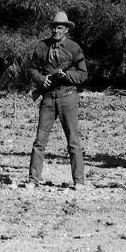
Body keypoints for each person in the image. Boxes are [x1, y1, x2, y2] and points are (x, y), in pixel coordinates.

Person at [25, 11, 90, 190]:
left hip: (68, 97)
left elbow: (83, 74)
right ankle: (33, 180)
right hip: (47, 98)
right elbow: (31, 69)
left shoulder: (74, 48)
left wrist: (66, 74)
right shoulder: (41, 46)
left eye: (60, 27)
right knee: (39, 142)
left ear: (66, 30)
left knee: (73, 142)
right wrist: (41, 79)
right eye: (54, 27)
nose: (56, 30)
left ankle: (79, 181)